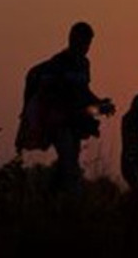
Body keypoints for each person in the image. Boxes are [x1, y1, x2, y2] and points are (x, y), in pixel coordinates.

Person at [17, 22, 115, 193]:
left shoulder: (84, 64)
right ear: (72, 39)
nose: (86, 47)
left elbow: (84, 91)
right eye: (84, 42)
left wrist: (100, 103)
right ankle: (72, 199)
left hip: (76, 118)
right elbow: (49, 93)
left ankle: (51, 196)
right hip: (59, 120)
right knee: (69, 161)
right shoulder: (57, 63)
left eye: (88, 43)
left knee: (69, 159)